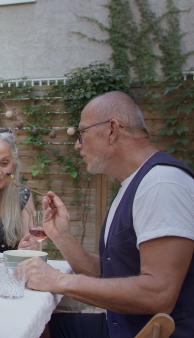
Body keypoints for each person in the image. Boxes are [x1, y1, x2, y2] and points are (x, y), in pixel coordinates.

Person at [21, 91, 194, 337]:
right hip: (123, 326)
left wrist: (59, 281)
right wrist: (61, 236)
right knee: (36, 328)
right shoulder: (135, 184)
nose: (77, 144)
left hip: (146, 332)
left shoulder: (161, 184)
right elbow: (105, 271)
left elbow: (159, 293)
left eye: (82, 133)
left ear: (112, 130)